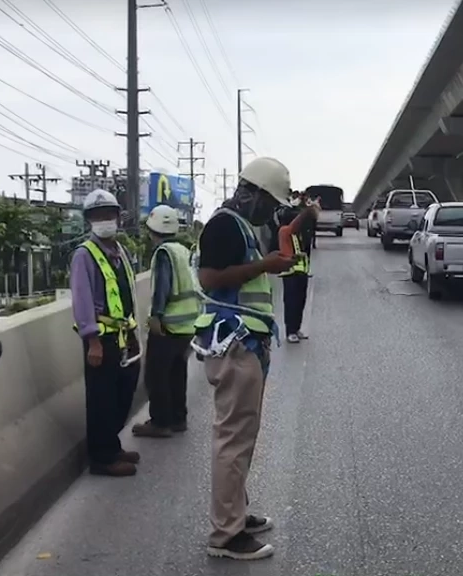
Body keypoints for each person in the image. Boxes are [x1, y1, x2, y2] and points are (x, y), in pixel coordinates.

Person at [194, 157, 294, 561]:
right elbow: (210, 279)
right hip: (233, 342)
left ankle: (235, 513)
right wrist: (265, 266)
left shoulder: (243, 227)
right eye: (269, 202)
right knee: (233, 439)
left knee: (242, 437)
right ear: (251, 192)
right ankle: (225, 534)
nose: (270, 210)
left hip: (245, 341)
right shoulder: (223, 225)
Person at [69, 189, 141, 477]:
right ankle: (101, 457)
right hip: (101, 340)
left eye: (108, 215)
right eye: (98, 216)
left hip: (124, 335)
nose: (104, 220)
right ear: (89, 221)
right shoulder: (84, 255)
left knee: (123, 393)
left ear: (117, 218)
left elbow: (128, 294)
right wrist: (93, 342)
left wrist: (134, 332)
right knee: (101, 399)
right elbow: (82, 300)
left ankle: (112, 444)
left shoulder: (119, 252)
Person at [132, 205, 200, 438]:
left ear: (152, 230)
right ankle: (178, 418)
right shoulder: (183, 250)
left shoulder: (164, 253)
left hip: (169, 324)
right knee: (177, 373)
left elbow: (163, 286)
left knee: (156, 374)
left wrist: (156, 316)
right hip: (188, 324)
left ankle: (160, 422)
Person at [276, 199, 318, 343]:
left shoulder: (297, 235)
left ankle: (296, 329)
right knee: (291, 303)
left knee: (301, 302)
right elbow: (294, 225)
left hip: (301, 272)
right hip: (290, 273)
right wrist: (307, 211)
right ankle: (290, 331)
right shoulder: (284, 231)